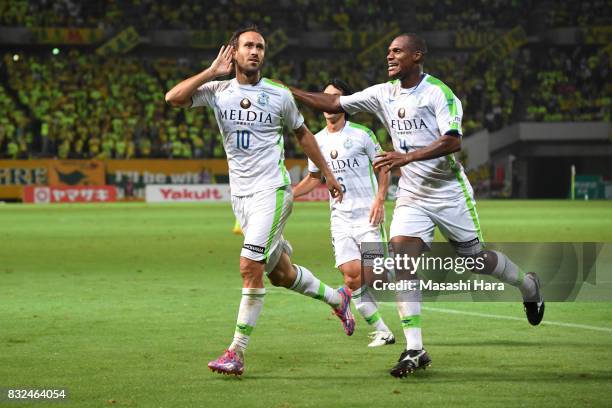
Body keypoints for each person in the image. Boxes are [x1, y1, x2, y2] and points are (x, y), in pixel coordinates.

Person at [288, 33, 545, 378]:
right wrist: (286, 92)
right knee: (402, 260)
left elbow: (453, 141)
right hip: (411, 195)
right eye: (388, 52)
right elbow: (334, 104)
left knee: (476, 259)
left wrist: (406, 157)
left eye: (397, 52)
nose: (389, 57)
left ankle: (527, 285)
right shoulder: (382, 93)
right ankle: (415, 348)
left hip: (449, 192)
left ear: (417, 56)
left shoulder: (439, 93)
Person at [165, 26, 354, 377]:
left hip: (273, 190)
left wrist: (326, 173)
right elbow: (172, 98)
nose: (255, 52)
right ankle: (337, 298)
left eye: (260, 47)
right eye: (248, 46)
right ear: (233, 52)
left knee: (249, 266)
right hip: (240, 196)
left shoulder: (279, 95)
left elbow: (304, 136)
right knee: (281, 274)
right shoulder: (217, 89)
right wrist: (209, 71)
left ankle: (236, 352)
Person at [292, 79, 395, 348]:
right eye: (324, 97)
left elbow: (383, 168)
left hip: (368, 216)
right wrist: (286, 194)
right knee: (351, 275)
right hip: (340, 218)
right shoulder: (315, 141)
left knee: (376, 276)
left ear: (344, 103)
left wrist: (380, 200)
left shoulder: (362, 134)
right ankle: (382, 331)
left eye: (335, 97)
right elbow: (314, 178)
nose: (328, 102)